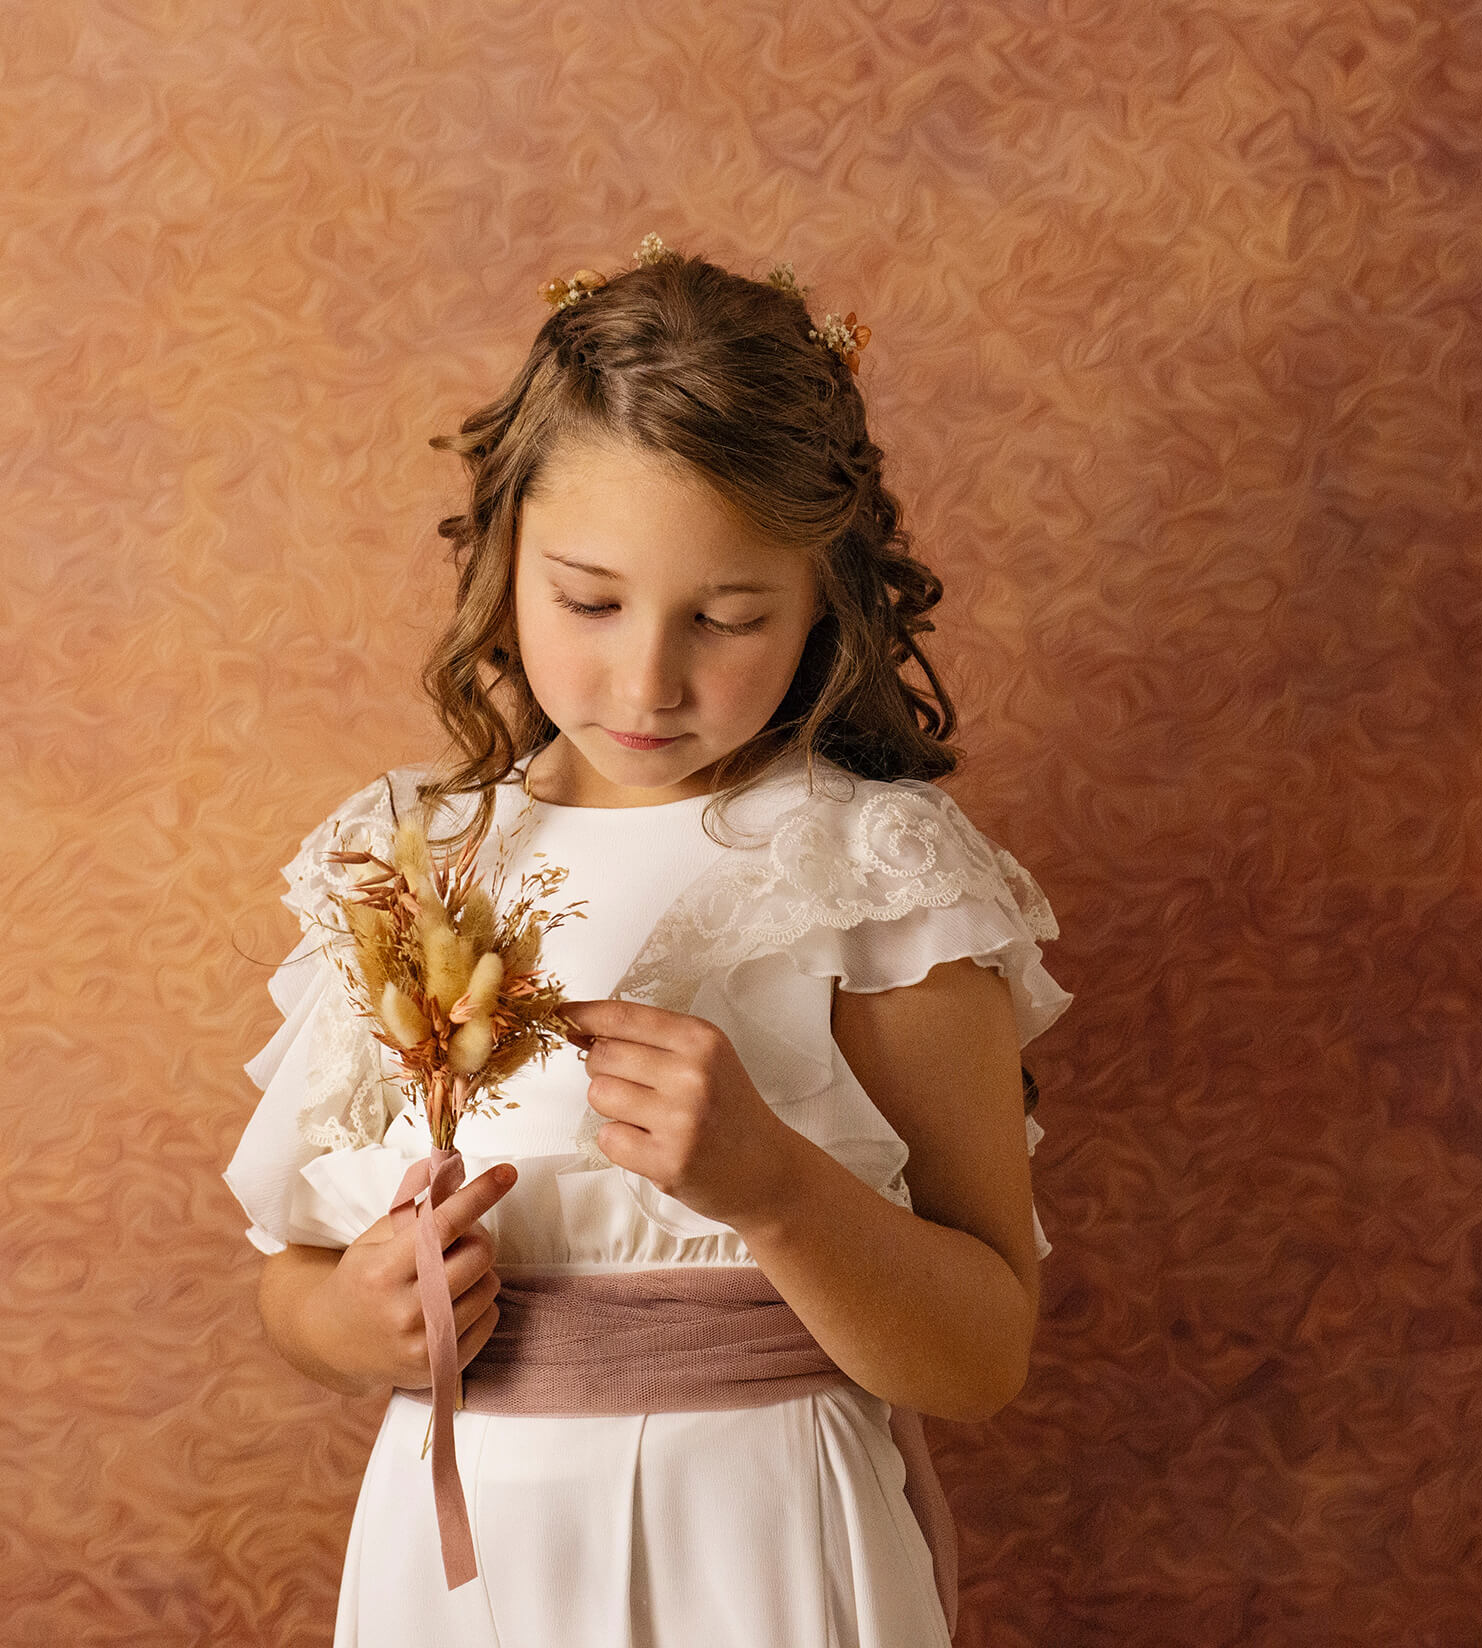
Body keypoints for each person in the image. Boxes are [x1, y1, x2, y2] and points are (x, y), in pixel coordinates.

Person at [223, 235, 1070, 1648]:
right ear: (506, 559)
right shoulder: (412, 862)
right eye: (590, 601)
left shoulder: (874, 875)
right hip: (469, 1566)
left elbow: (980, 1355)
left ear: (820, 605)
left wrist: (777, 1190)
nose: (644, 679)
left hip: (760, 1549)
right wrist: (354, 1323)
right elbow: (289, 1269)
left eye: (727, 618)